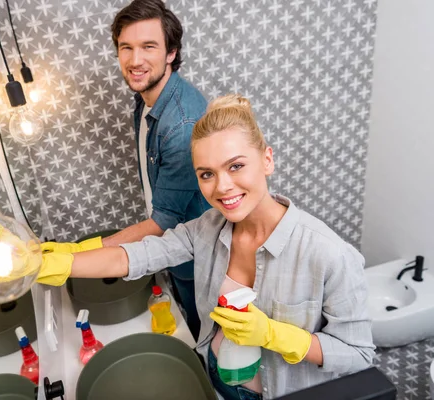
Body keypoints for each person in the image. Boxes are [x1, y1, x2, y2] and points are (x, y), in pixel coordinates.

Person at [39, 94, 375, 399]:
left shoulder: (328, 254)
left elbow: (359, 355)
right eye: (206, 174)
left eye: (236, 166)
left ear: (267, 160)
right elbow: (139, 255)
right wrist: (61, 260)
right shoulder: (208, 228)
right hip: (217, 372)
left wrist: (278, 336)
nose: (223, 187)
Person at [42, 0, 211, 341]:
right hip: (174, 247)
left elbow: (163, 221)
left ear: (170, 52)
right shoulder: (147, 96)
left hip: (197, 260)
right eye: (126, 47)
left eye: (149, 46)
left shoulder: (181, 125)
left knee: (203, 338)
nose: (135, 61)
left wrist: (77, 252)